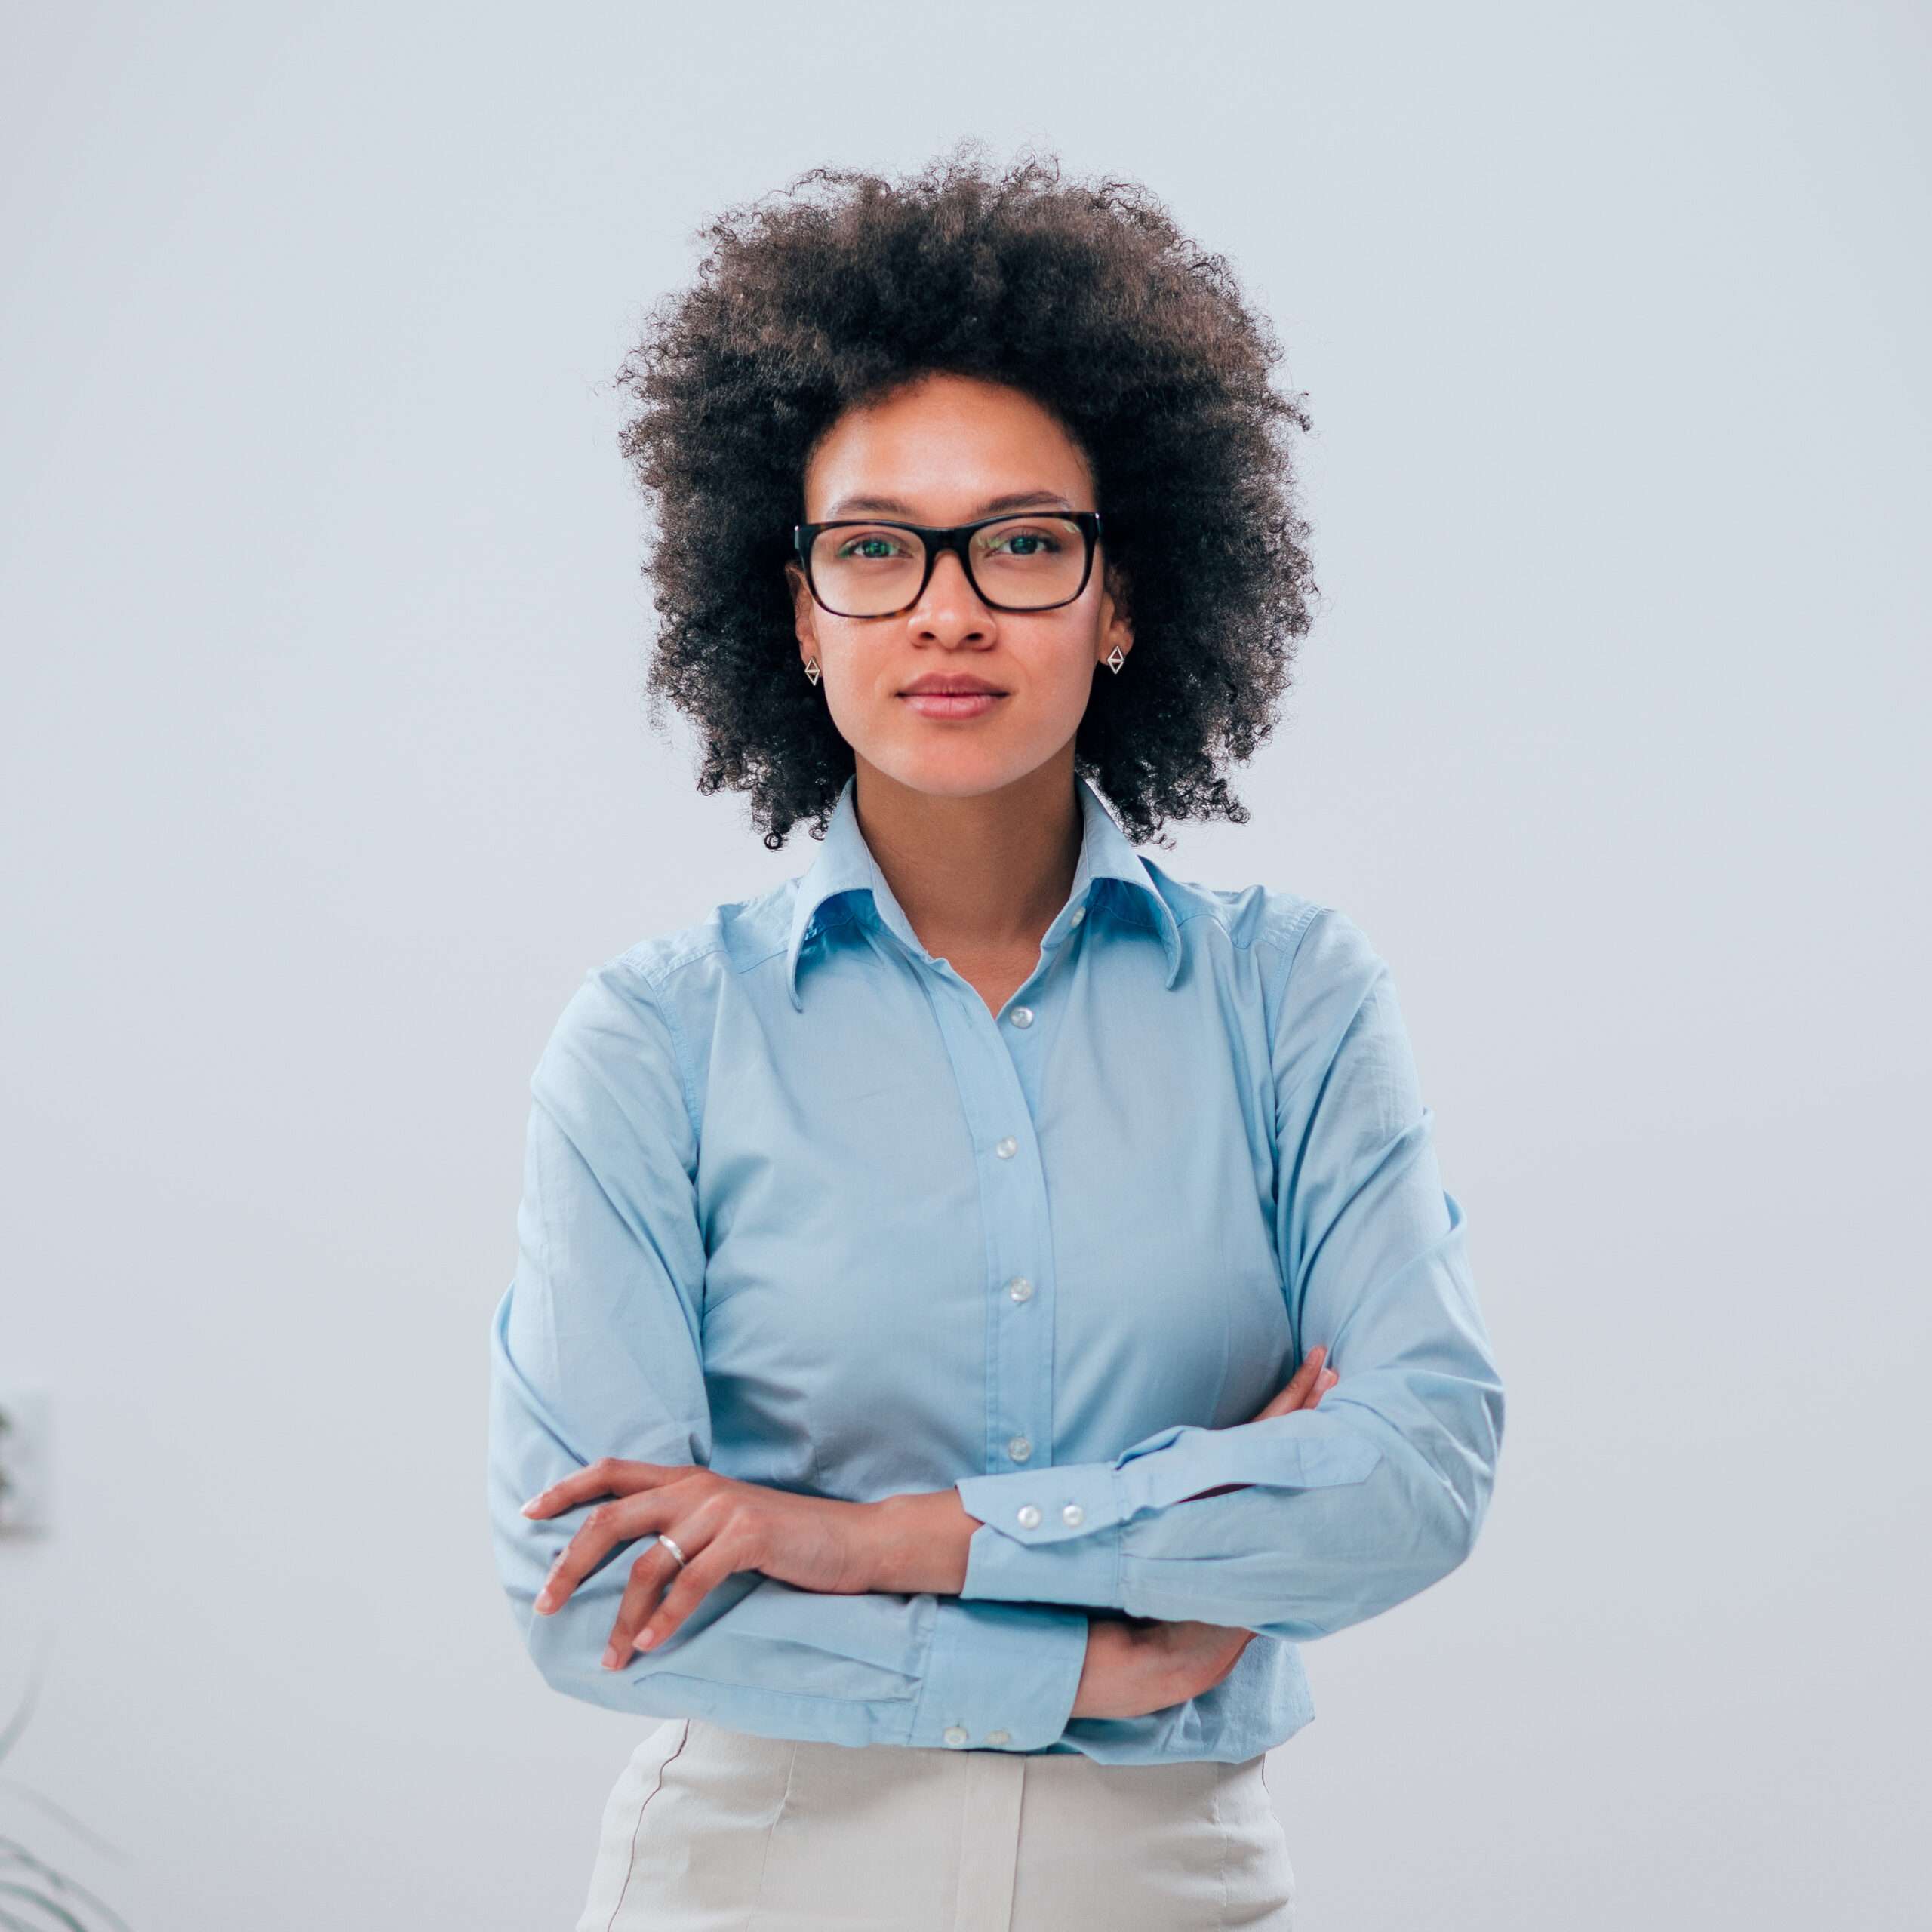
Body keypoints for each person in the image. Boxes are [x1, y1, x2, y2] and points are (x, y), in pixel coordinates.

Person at [486, 143, 1506, 1931]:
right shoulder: (656, 1039)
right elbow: (587, 1589)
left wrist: (871, 1535)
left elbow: (1411, 1469)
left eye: (1022, 544)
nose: (947, 607)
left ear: (1121, 599)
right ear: (797, 612)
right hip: (751, 1876)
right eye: (876, 551)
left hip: (1173, 1879)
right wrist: (1095, 1652)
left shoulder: (1288, 1001)